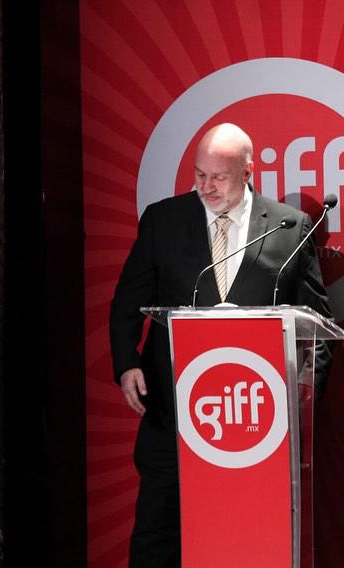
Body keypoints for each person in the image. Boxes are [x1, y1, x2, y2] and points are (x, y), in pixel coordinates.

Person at [109, 123, 332, 566]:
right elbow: (128, 300)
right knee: (158, 537)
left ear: (248, 172)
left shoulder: (289, 228)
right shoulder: (163, 220)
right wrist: (126, 362)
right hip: (173, 411)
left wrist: (305, 390)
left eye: (219, 177)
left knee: (245, 539)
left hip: (259, 421)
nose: (205, 187)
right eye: (199, 175)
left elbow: (319, 321)